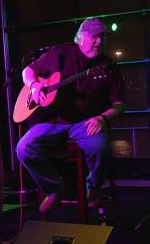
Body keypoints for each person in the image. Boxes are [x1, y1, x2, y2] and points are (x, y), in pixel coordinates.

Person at [16, 17, 125, 213]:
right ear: (82, 36)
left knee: (100, 149)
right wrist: (34, 86)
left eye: (102, 37)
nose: (99, 42)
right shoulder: (61, 54)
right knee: (24, 148)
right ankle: (55, 189)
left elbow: (119, 105)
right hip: (53, 120)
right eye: (94, 37)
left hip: (86, 123)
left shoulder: (107, 66)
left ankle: (92, 190)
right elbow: (28, 71)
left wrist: (103, 118)